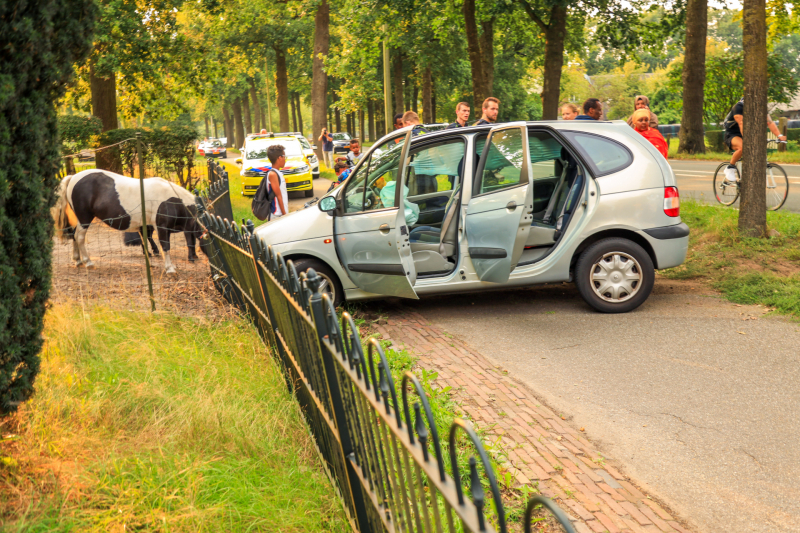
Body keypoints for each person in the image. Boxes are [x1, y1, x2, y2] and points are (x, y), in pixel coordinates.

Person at [722, 97, 787, 182]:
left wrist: (780, 135)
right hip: (732, 133)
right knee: (743, 147)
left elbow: (769, 122)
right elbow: (741, 123)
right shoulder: (738, 107)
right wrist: (747, 139)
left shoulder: (760, 107)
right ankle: (730, 167)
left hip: (749, 133)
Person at [264, 144, 288, 219]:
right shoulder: (273, 174)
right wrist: (285, 215)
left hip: (281, 213)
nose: (285, 159)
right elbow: (278, 196)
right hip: (277, 215)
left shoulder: (278, 173)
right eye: (284, 157)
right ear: (279, 158)